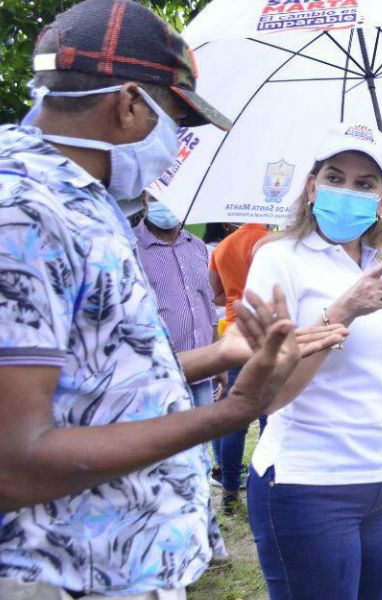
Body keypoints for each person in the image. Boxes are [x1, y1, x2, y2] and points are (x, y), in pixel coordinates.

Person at [0, 1, 344, 598]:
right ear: (130, 102)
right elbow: (13, 463)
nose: (177, 144)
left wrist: (225, 353)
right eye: (176, 120)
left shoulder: (84, 199)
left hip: (122, 563)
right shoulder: (24, 213)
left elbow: (95, 381)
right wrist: (233, 411)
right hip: (68, 574)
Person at [243, 122, 382, 600]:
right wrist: (342, 312)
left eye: (365, 183)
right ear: (312, 186)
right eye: (335, 178)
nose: (347, 192)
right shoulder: (279, 258)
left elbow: (379, 371)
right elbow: (267, 396)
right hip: (309, 482)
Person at [133, 195, 230, 563]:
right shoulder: (132, 247)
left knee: (200, 459)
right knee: (163, 460)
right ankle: (169, 540)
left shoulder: (197, 248)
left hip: (201, 373)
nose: (168, 205)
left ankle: (207, 536)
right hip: (156, 376)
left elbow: (208, 306)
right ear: (145, 200)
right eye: (159, 198)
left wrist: (219, 357)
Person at [209, 220, 272, 510]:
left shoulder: (223, 246)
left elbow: (217, 295)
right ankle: (268, 488)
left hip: (235, 333)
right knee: (270, 418)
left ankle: (230, 491)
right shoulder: (274, 243)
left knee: (234, 418)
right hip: (270, 332)